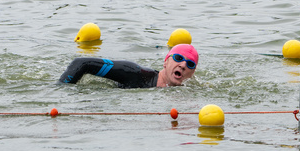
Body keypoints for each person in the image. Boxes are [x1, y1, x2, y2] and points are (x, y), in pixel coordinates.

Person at [59, 43, 198, 88]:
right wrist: (60, 91)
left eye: (190, 64)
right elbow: (82, 63)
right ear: (166, 62)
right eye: (178, 58)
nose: (183, 65)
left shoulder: (190, 93)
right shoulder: (134, 73)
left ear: (192, 73)